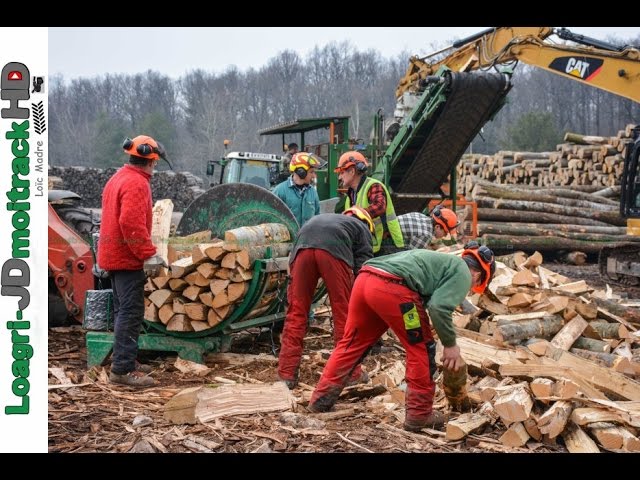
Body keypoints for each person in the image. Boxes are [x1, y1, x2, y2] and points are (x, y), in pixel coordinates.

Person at [307, 242, 496, 432]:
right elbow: (439, 307)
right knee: (420, 347)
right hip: (393, 289)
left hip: (366, 279)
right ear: (478, 274)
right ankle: (419, 414)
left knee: (351, 344)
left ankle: (321, 399)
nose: (470, 288)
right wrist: (450, 345)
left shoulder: (442, 263)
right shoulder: (463, 271)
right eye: (475, 286)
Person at [98, 135, 168, 388]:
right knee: (131, 312)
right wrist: (148, 253)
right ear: (152, 161)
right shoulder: (137, 183)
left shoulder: (118, 177)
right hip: (126, 259)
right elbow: (130, 223)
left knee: (122, 311)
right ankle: (122, 370)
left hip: (113, 256)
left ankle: (126, 358)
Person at [277, 207, 375, 389]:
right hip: (333, 252)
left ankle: (286, 374)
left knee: (296, 312)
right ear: (366, 222)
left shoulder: (327, 220)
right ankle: (350, 374)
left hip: (302, 249)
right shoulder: (362, 229)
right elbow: (363, 270)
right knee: (344, 314)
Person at [334, 151, 404, 256]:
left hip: (388, 244)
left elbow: (379, 206)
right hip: (371, 245)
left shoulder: (374, 186)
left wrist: (356, 215)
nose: (340, 177)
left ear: (352, 171)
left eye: (342, 172)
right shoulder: (350, 196)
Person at [273, 152, 321, 228]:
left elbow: (317, 218)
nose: (314, 175)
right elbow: (272, 219)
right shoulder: (279, 192)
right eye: (311, 172)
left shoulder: (312, 192)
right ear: (301, 172)